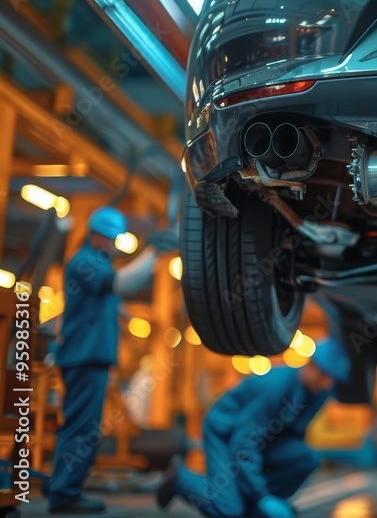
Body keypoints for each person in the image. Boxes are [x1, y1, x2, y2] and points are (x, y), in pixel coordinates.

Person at [47, 206, 178, 514]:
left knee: (83, 425)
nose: (112, 244)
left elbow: (112, 297)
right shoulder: (86, 262)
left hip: (90, 357)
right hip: (84, 356)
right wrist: (153, 253)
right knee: (81, 427)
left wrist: (123, 314)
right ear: (95, 234)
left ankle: (62, 488)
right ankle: (64, 494)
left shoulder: (99, 261)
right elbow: (122, 284)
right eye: (109, 238)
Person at [156, 339, 350, 518]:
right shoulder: (273, 386)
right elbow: (244, 444)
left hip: (264, 439)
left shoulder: (317, 391)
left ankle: (255, 509)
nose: (327, 384)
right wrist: (261, 495)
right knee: (229, 510)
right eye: (324, 376)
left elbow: (294, 436)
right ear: (310, 365)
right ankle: (179, 477)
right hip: (225, 434)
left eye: (332, 379)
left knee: (306, 459)